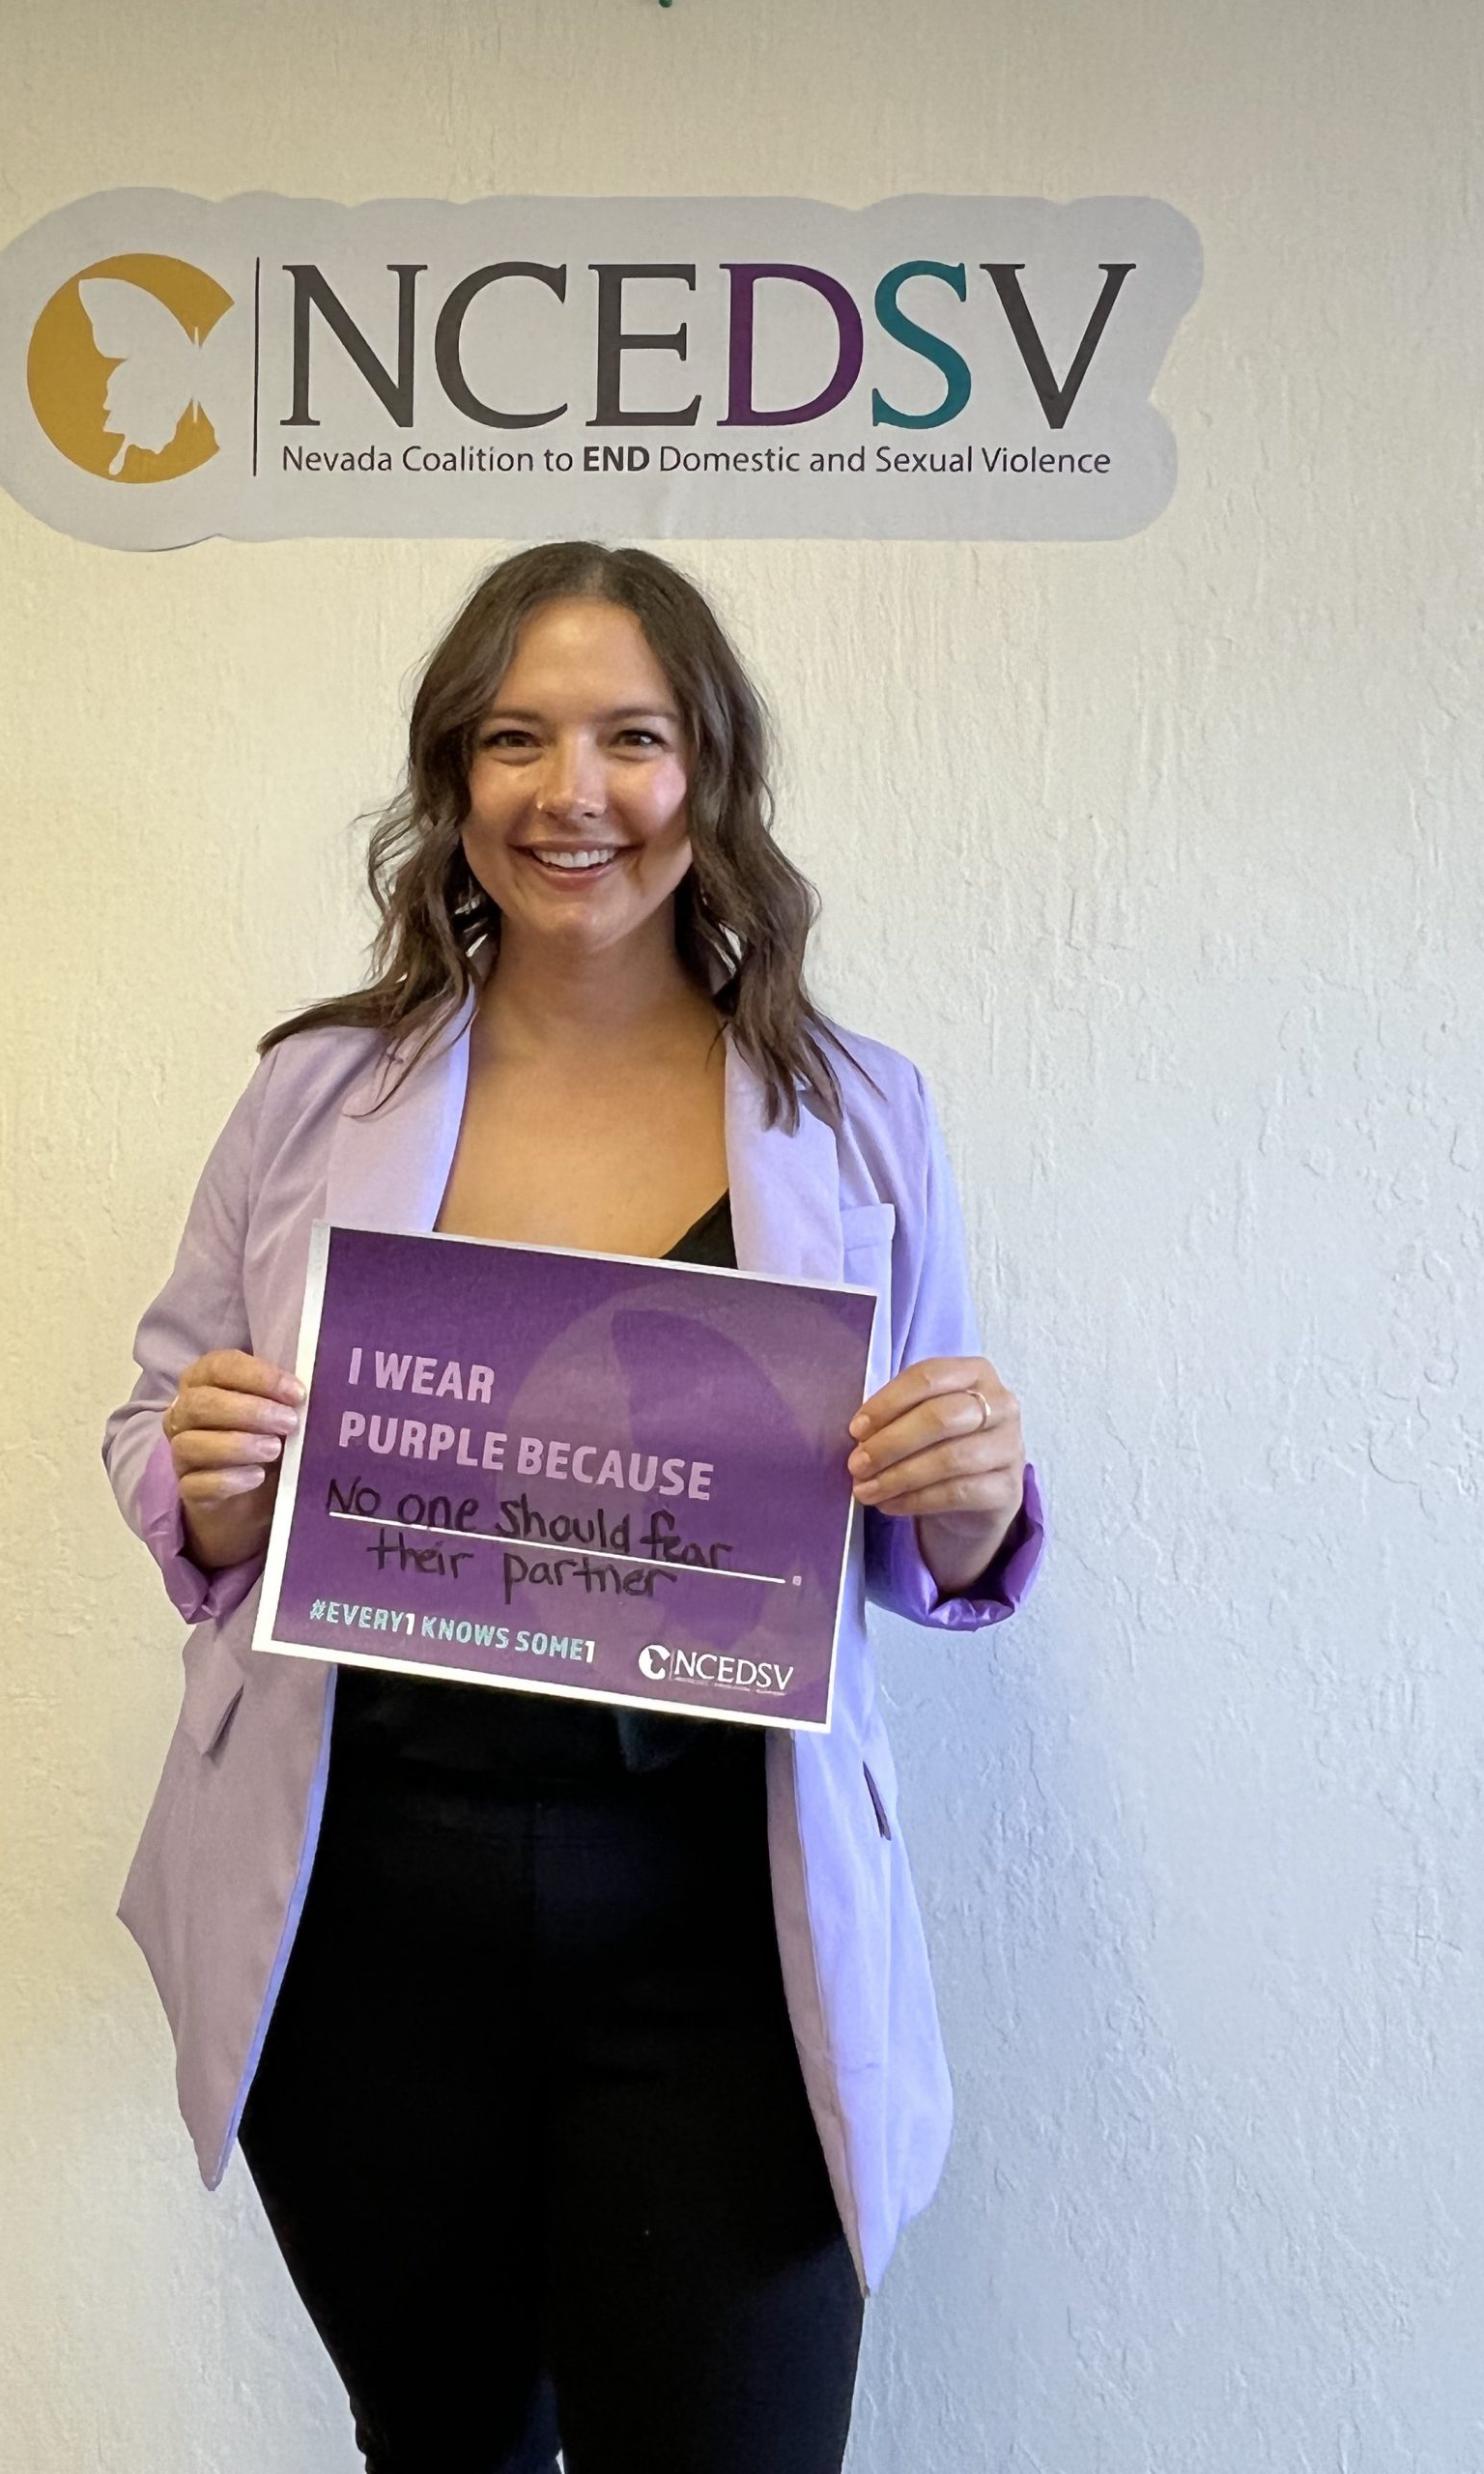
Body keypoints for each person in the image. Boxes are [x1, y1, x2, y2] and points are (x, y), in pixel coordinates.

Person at [101, 540, 1045, 2474]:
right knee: (440, 2447)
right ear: (452, 779)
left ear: (712, 769)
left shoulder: (857, 1111)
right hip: (368, 1911)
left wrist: (971, 1499)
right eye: (516, 738)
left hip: (722, 1922)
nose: (573, 791)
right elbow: (161, 1421)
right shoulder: (313, 1096)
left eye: (632, 735)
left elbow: (921, 1533)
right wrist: (204, 1481)